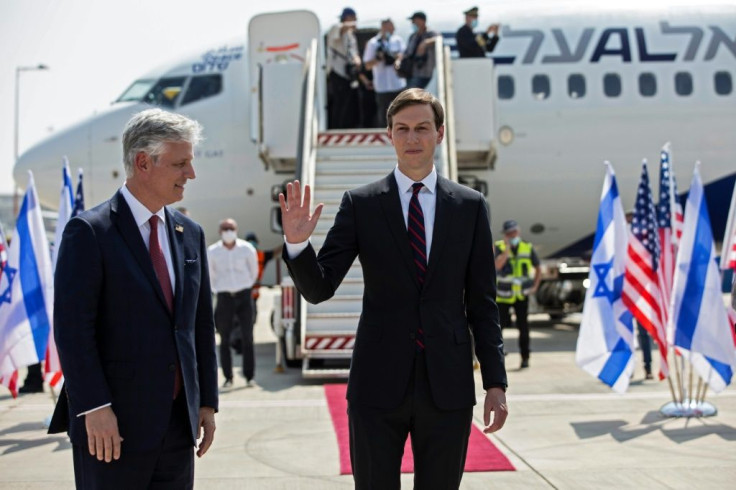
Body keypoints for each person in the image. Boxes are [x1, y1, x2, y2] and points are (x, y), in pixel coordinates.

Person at [279, 88, 508, 489]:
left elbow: (483, 304)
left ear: (439, 133)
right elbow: (320, 289)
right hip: (376, 384)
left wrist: (495, 383)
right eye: (402, 129)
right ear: (389, 135)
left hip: (448, 385)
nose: (412, 138)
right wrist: (298, 246)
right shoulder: (361, 204)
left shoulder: (470, 206)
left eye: (422, 128)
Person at [48, 108, 218, 489]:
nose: (190, 174)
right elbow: (73, 331)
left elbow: (199, 325)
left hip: (177, 429)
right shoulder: (89, 232)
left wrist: (205, 402)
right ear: (143, 162)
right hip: (111, 430)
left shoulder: (189, 234)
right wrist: (94, 407)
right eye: (181, 164)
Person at [207, 218, 259, 388]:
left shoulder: (247, 249)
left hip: (244, 295)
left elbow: (254, 272)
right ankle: (228, 377)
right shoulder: (213, 251)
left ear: (236, 230)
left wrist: (244, 287)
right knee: (224, 338)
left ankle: (249, 375)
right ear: (220, 231)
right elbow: (210, 275)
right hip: (224, 297)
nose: (228, 231)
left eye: (231, 228)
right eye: (225, 228)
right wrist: (220, 289)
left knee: (247, 337)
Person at [494, 220, 541, 369]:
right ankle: (498, 356)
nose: (511, 235)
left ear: (518, 231)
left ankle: (525, 357)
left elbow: (538, 267)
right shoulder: (499, 247)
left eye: (513, 232)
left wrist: (535, 286)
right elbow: (497, 266)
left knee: (523, 327)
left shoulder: (527, 247)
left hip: (521, 294)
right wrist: (507, 249)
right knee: (498, 327)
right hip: (503, 294)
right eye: (508, 233)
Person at [363, 18, 406, 127]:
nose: (393, 29)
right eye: (389, 27)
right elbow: (367, 65)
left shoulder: (398, 40)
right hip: (382, 85)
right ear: (383, 27)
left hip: (398, 83)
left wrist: (397, 59)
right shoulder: (373, 43)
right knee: (384, 115)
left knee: (401, 112)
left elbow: (403, 55)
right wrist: (378, 58)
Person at [326, 7, 362, 129]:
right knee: (338, 102)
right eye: (353, 18)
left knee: (348, 103)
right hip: (337, 71)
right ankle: (336, 128)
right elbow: (341, 30)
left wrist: (357, 60)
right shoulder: (336, 27)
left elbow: (353, 51)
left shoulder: (351, 35)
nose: (355, 21)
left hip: (348, 73)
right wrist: (352, 24)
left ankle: (346, 126)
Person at [245, 232, 283, 324]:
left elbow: (275, 252)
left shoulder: (261, 256)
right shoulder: (242, 256)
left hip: (252, 294)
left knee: (249, 320)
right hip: (243, 294)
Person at [401, 11, 439, 89]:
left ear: (422, 21)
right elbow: (407, 52)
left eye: (414, 21)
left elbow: (438, 39)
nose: (412, 23)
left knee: (411, 93)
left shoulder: (431, 33)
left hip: (424, 72)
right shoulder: (413, 36)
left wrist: (425, 43)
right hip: (410, 71)